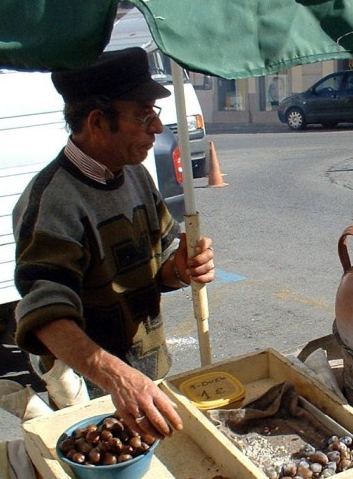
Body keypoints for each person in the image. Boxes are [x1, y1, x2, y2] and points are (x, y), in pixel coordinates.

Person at [12, 47, 217, 438]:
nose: (157, 127)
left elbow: (162, 267)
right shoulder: (53, 202)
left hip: (146, 379)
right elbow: (45, 315)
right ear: (97, 122)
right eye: (144, 115)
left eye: (155, 114)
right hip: (92, 396)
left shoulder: (135, 175)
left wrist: (182, 268)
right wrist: (119, 379)